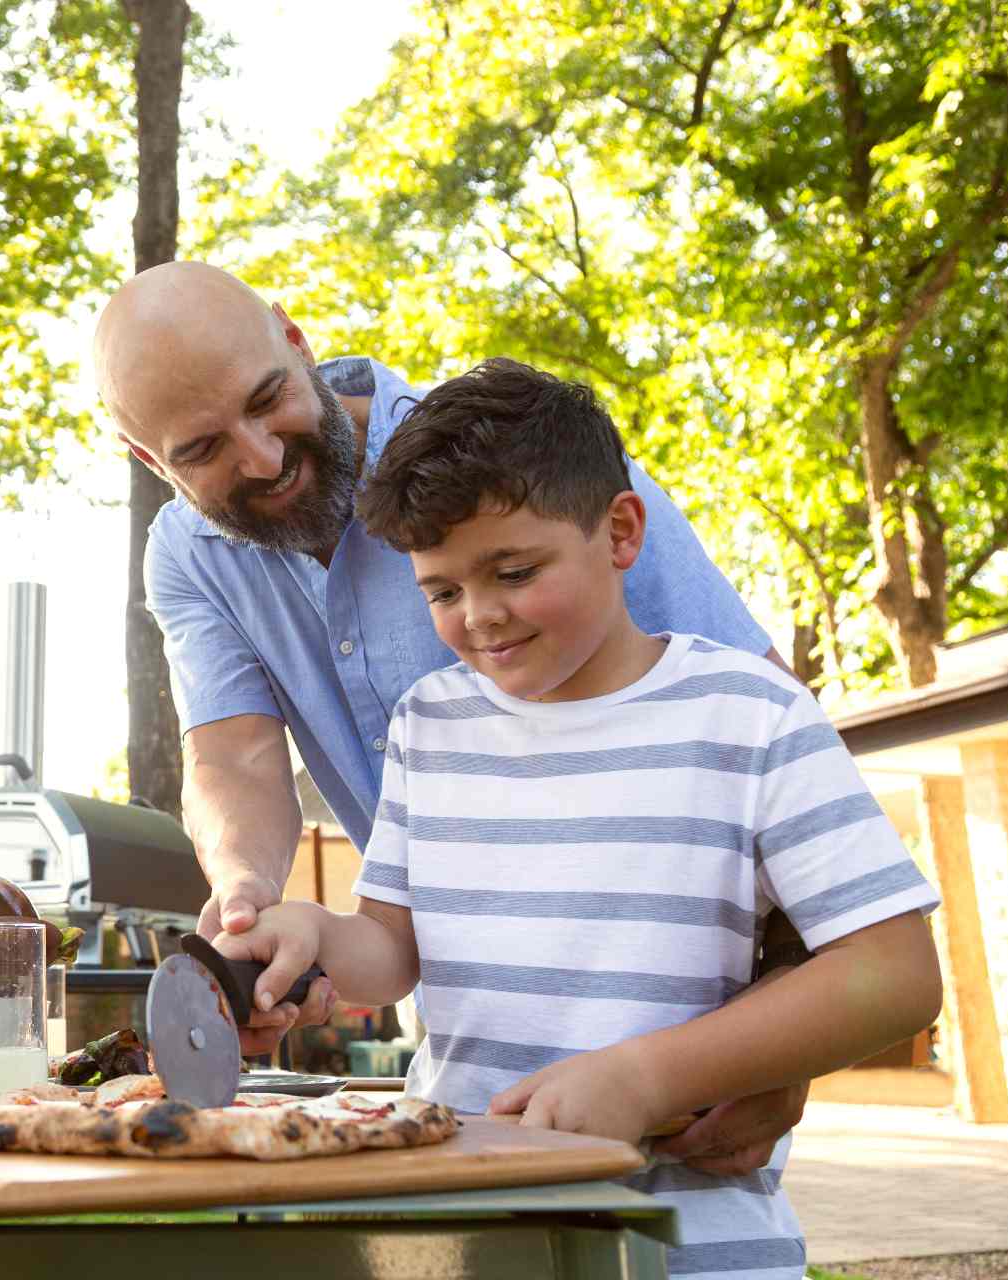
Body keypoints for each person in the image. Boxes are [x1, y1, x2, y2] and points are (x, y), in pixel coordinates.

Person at [212, 359, 943, 1278]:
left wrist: (647, 1079)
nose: (480, 617)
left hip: (692, 1247)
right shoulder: (431, 725)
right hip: (463, 1238)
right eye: (439, 591)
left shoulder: (749, 713)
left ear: (622, 531)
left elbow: (898, 972)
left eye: (514, 571)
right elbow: (393, 953)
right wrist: (313, 932)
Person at [93, 260, 811, 1174]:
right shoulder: (188, 557)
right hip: (475, 1060)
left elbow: (769, 724)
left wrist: (784, 1034)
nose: (262, 458)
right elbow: (233, 762)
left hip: (681, 1043)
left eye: (268, 399)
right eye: (202, 450)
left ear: (295, 337)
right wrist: (248, 899)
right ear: (150, 462)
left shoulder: (512, 466)